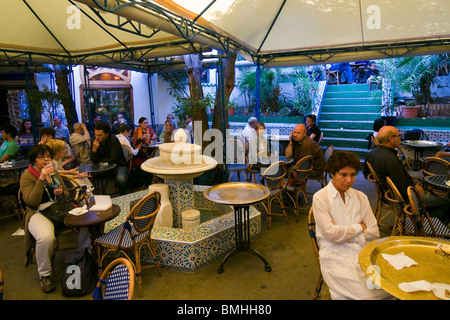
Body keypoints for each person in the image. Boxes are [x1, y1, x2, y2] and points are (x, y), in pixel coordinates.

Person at [313, 150, 393, 300]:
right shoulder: (321, 198)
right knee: (366, 296)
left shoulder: (360, 197)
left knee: (390, 288)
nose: (349, 180)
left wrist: (346, 236)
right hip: (334, 253)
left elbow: (375, 232)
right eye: (343, 175)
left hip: (363, 251)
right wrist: (359, 227)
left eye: (353, 174)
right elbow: (331, 234)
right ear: (332, 173)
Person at [20, 144, 90, 293]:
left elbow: (66, 194)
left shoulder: (54, 172)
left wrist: (60, 193)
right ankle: (45, 275)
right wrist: (41, 178)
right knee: (46, 238)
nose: (46, 160)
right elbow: (31, 201)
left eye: (48, 157)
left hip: (58, 208)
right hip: (37, 212)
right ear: (33, 160)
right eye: (41, 157)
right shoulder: (27, 176)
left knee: (86, 221)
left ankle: (81, 257)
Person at [363, 126, 450, 224]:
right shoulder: (391, 159)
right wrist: (415, 189)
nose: (400, 137)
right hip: (403, 199)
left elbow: (366, 174)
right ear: (391, 139)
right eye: (398, 135)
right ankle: (423, 226)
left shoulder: (371, 154)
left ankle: (423, 219)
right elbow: (402, 187)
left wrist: (379, 183)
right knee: (445, 204)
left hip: (386, 195)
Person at [90, 122, 128, 195]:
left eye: (100, 135)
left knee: (121, 179)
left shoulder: (113, 139)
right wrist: (94, 150)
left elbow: (113, 159)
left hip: (119, 165)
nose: (97, 137)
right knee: (89, 176)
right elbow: (93, 160)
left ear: (107, 134)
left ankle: (123, 197)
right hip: (103, 166)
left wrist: (99, 161)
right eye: (95, 134)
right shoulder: (94, 141)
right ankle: (98, 198)